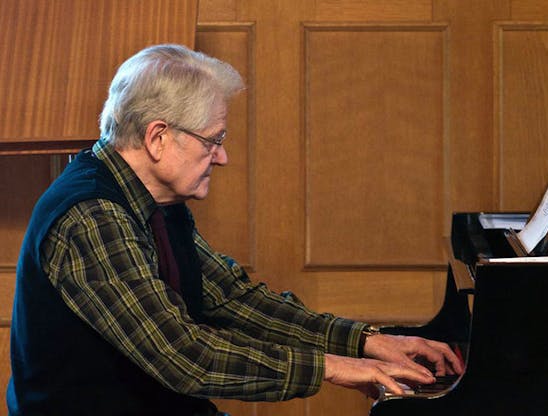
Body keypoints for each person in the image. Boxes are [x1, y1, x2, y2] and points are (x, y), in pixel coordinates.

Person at [7, 44, 463, 415]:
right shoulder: (92, 217)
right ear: (158, 137)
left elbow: (233, 300)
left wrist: (367, 342)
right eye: (214, 140)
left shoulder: (155, 200)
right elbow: (184, 357)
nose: (222, 158)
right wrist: (335, 368)